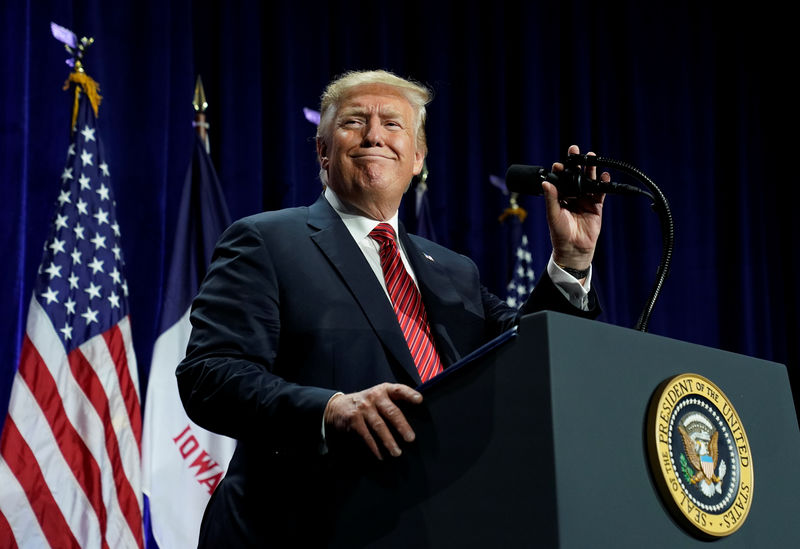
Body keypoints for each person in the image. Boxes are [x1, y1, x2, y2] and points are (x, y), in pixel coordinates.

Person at [176, 69, 607, 546]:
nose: (374, 134)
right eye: (354, 121)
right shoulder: (267, 240)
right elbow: (210, 375)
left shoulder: (452, 270)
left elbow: (529, 358)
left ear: (418, 158)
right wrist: (330, 409)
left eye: (393, 124)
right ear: (322, 150)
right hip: (297, 528)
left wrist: (571, 261)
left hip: (437, 524)